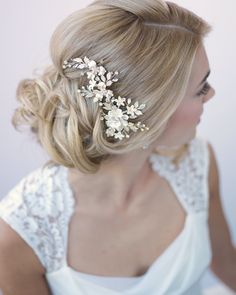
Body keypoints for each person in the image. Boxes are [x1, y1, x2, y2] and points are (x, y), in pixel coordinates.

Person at [0, 0, 235, 294]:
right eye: (201, 87)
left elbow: (227, 266)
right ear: (152, 113)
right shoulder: (21, 232)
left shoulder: (197, 162)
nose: (211, 94)